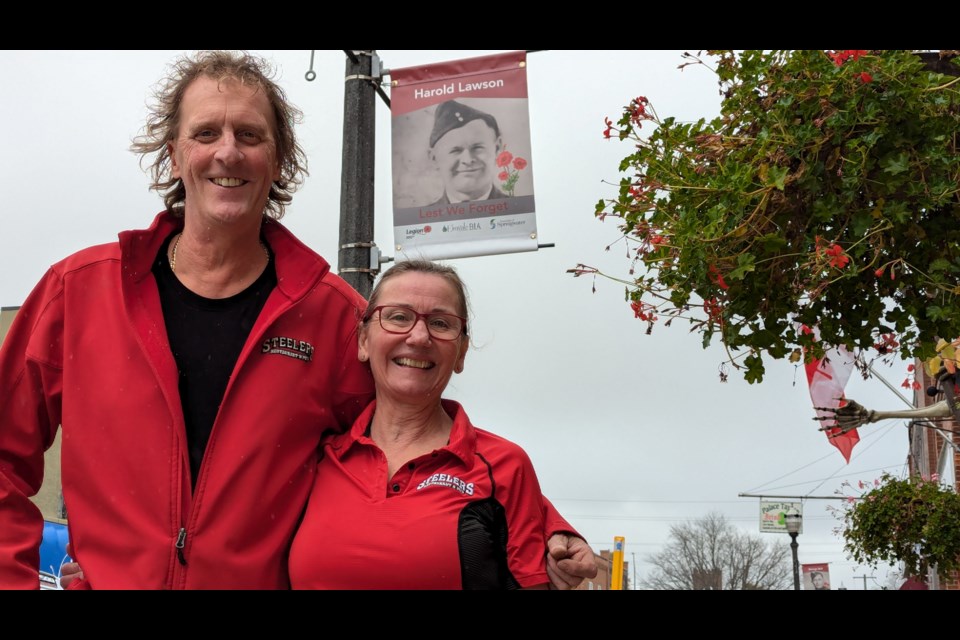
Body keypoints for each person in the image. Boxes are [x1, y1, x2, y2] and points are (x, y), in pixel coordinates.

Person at [0, 50, 596, 589]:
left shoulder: (332, 316)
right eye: (206, 132)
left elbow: (412, 438)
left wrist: (545, 526)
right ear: (175, 152)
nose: (227, 151)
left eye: (250, 135)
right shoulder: (79, 292)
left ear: (277, 157)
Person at [290, 261, 549, 589]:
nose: (419, 337)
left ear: (461, 353)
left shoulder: (505, 467)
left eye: (441, 323)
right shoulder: (318, 458)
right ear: (363, 341)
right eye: (398, 316)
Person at [427, 100, 510, 206]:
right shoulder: (421, 219)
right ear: (433, 158)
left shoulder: (520, 210)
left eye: (478, 147)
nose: (467, 160)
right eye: (455, 150)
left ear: (497, 148)